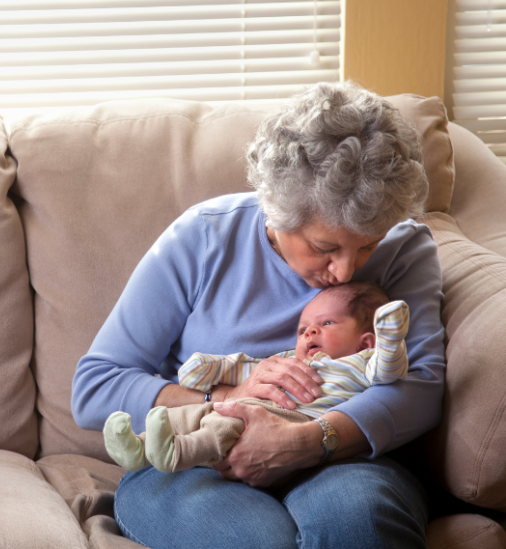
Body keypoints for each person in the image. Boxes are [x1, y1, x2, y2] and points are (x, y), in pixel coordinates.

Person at [71, 81, 445, 549]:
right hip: (195, 461)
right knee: (258, 541)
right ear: (276, 212)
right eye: (324, 247)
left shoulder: (405, 247)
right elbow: (95, 385)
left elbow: (422, 385)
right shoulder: (204, 237)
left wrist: (308, 440)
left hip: (341, 457)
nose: (347, 270)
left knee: (359, 522)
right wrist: (227, 395)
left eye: (367, 245)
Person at [103, 282, 409, 474]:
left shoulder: (360, 362)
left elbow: (389, 370)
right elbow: (242, 367)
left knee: (227, 424)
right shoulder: (288, 360)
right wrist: (205, 368)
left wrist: (391, 337)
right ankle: (138, 446)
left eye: (327, 323)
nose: (310, 332)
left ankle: (177, 452)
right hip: (244, 405)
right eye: (303, 329)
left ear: (366, 342)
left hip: (291, 421)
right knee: (191, 414)